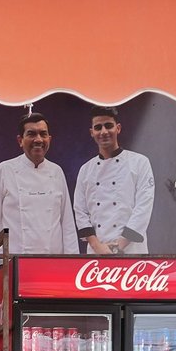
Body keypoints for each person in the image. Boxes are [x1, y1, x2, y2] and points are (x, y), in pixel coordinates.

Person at [0, 112, 75, 264]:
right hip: (14, 263)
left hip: (53, 263)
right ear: (20, 140)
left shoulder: (57, 171)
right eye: (31, 134)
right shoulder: (5, 169)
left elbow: (67, 222)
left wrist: (71, 262)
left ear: (49, 139)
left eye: (43, 134)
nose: (38, 139)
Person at [72, 106, 155, 255]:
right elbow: (80, 211)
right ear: (92, 133)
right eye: (98, 127)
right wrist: (98, 247)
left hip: (131, 250)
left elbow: (143, 208)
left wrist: (117, 247)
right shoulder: (85, 170)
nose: (104, 131)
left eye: (108, 126)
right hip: (96, 252)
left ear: (118, 128)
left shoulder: (140, 162)